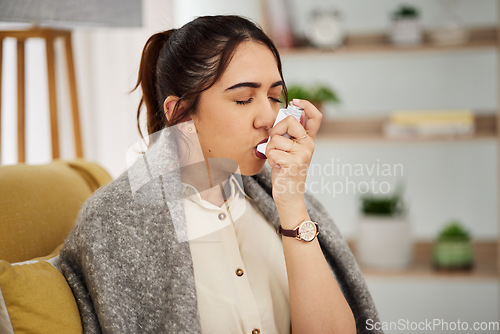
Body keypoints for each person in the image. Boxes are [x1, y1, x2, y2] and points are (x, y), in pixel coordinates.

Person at [60, 15, 381, 334]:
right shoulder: (114, 221)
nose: (269, 118)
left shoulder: (279, 202)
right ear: (180, 113)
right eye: (243, 99)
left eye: (273, 97)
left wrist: (292, 205)